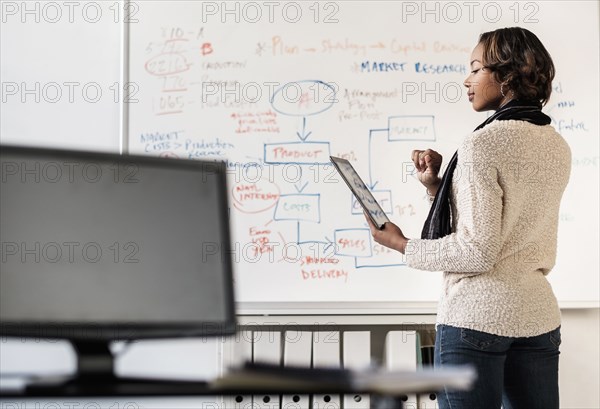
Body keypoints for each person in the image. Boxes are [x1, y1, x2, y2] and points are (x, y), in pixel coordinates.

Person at [365, 27, 571, 409]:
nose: (467, 79)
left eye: (476, 68)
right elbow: (506, 227)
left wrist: (401, 244)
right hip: (538, 316)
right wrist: (437, 187)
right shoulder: (556, 143)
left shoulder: (483, 143)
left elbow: (477, 252)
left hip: (478, 318)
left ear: (506, 75)